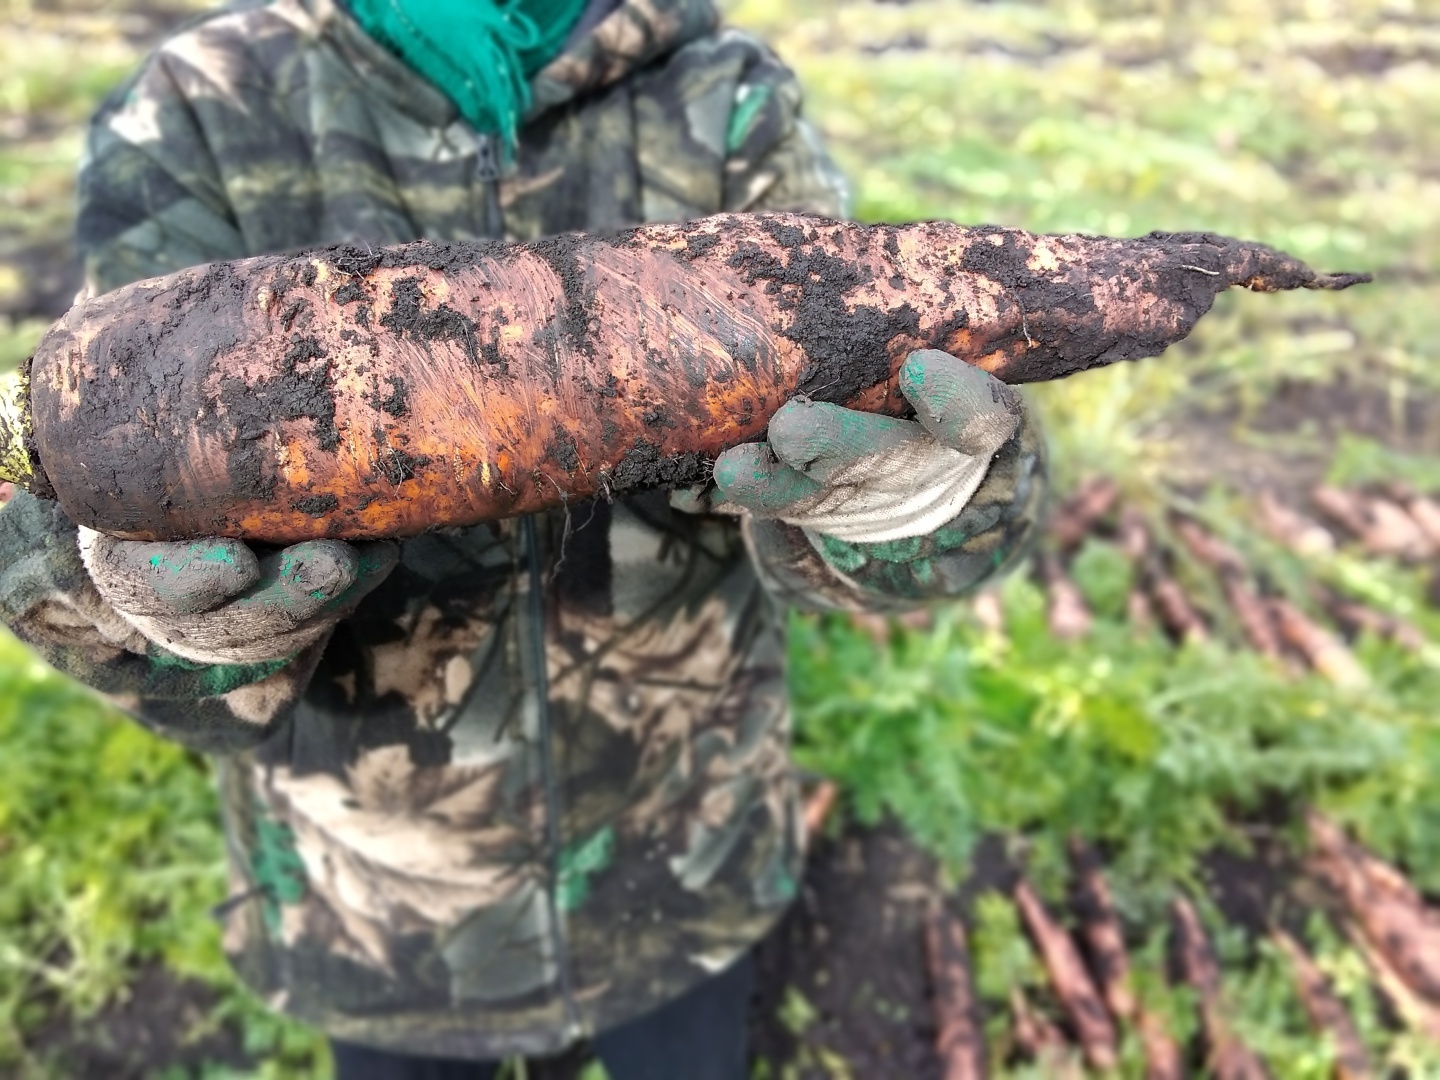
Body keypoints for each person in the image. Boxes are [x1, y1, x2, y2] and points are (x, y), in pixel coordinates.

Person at [0, 0, 1047, 1076]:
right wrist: (131, 604)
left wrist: (919, 505)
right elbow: (103, 451)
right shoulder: (204, 104)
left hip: (684, 854)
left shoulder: (720, 93)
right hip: (386, 909)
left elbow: (861, 389)